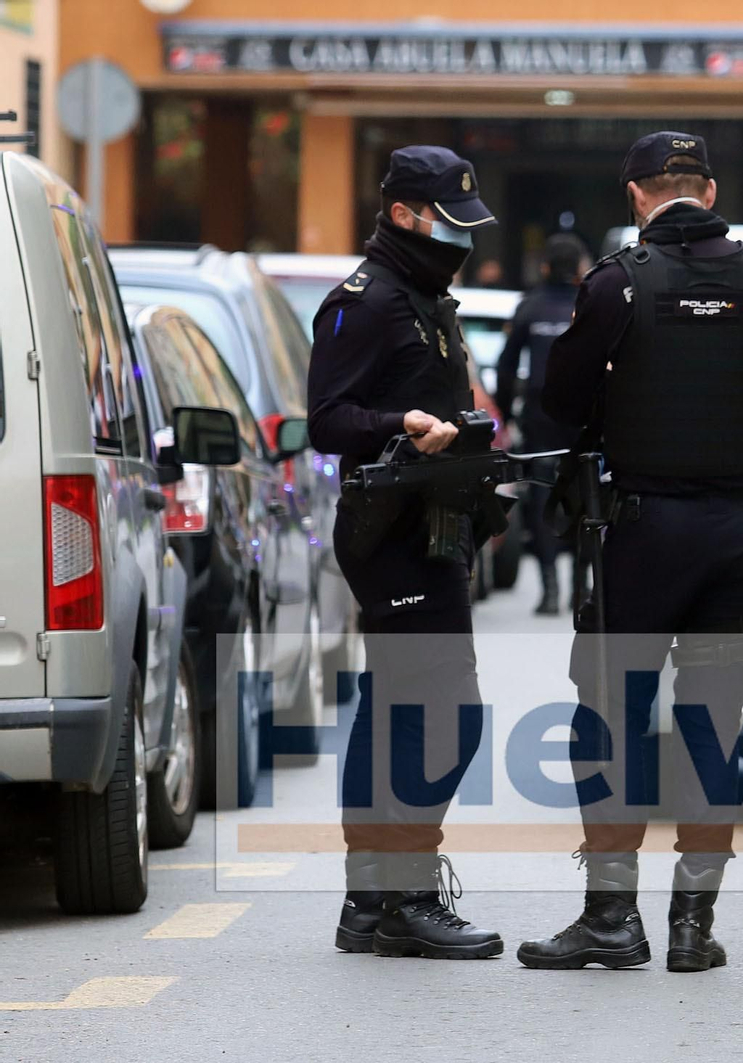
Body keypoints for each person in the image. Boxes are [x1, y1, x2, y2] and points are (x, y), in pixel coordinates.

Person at [517, 131, 743, 972]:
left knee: (611, 718)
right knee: (711, 726)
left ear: (635, 196)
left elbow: (559, 399)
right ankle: (694, 925)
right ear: (712, 189)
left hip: (644, 532)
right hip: (740, 535)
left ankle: (613, 918)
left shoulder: (618, 284)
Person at [306, 145, 503, 959]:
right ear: (401, 215)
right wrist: (403, 426)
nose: (458, 240)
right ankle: (402, 896)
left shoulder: (427, 299)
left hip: (435, 528)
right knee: (440, 719)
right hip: (390, 533)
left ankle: (374, 899)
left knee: (406, 714)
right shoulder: (367, 300)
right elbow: (328, 419)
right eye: (446, 224)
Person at [495, 233, 592, 615]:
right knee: (587, 497)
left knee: (541, 497)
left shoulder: (530, 307)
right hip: (584, 417)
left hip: (540, 416)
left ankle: (550, 589)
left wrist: (506, 410)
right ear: (580, 268)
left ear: (546, 267)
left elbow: (506, 365)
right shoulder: (588, 305)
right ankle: (579, 588)